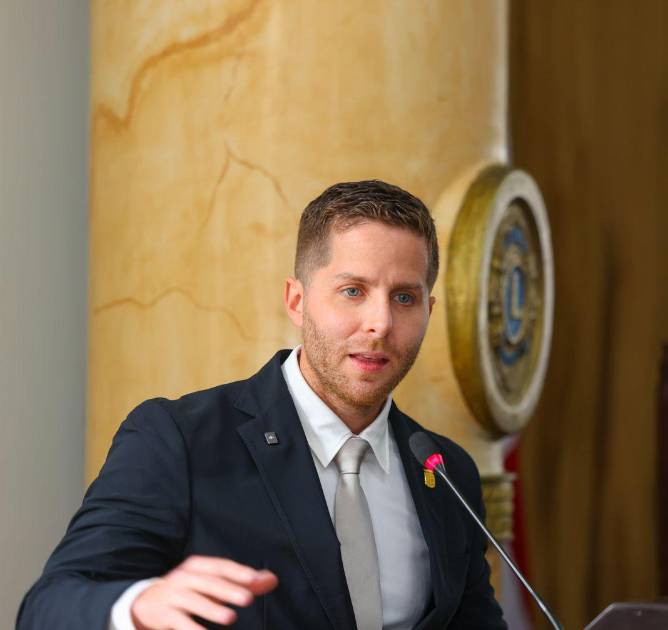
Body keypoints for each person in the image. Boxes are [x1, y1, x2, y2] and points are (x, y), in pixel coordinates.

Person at [17, 180, 506, 630]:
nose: (380, 323)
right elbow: (49, 607)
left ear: (428, 311)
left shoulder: (447, 471)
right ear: (296, 301)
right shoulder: (177, 439)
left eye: (404, 298)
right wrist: (137, 607)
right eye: (352, 291)